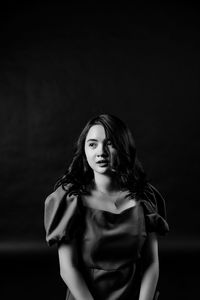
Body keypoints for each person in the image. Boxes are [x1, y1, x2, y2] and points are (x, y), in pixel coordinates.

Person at [44, 113, 169, 300]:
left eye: (110, 144)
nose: (101, 152)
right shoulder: (70, 200)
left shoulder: (145, 197)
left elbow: (151, 263)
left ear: (123, 147)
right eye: (92, 144)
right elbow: (68, 268)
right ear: (84, 150)